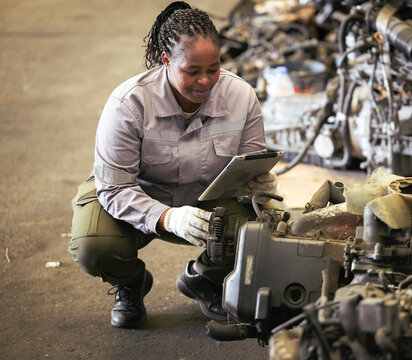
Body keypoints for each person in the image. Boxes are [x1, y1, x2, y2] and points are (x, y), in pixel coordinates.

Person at [69, 1, 277, 329]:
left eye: (214, 68)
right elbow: (114, 187)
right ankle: (130, 282)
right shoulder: (128, 104)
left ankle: (205, 279)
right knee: (94, 246)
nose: (205, 81)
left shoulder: (242, 97)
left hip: (204, 195)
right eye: (192, 71)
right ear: (166, 61)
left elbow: (248, 168)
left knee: (261, 231)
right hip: (134, 196)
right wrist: (167, 217)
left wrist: (260, 187)